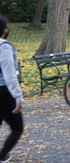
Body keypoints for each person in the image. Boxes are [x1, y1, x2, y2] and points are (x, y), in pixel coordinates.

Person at [0, 15, 24, 162]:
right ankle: (2, 155)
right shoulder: (4, 47)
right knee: (17, 128)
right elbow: (10, 75)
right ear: (4, 30)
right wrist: (18, 96)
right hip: (4, 92)